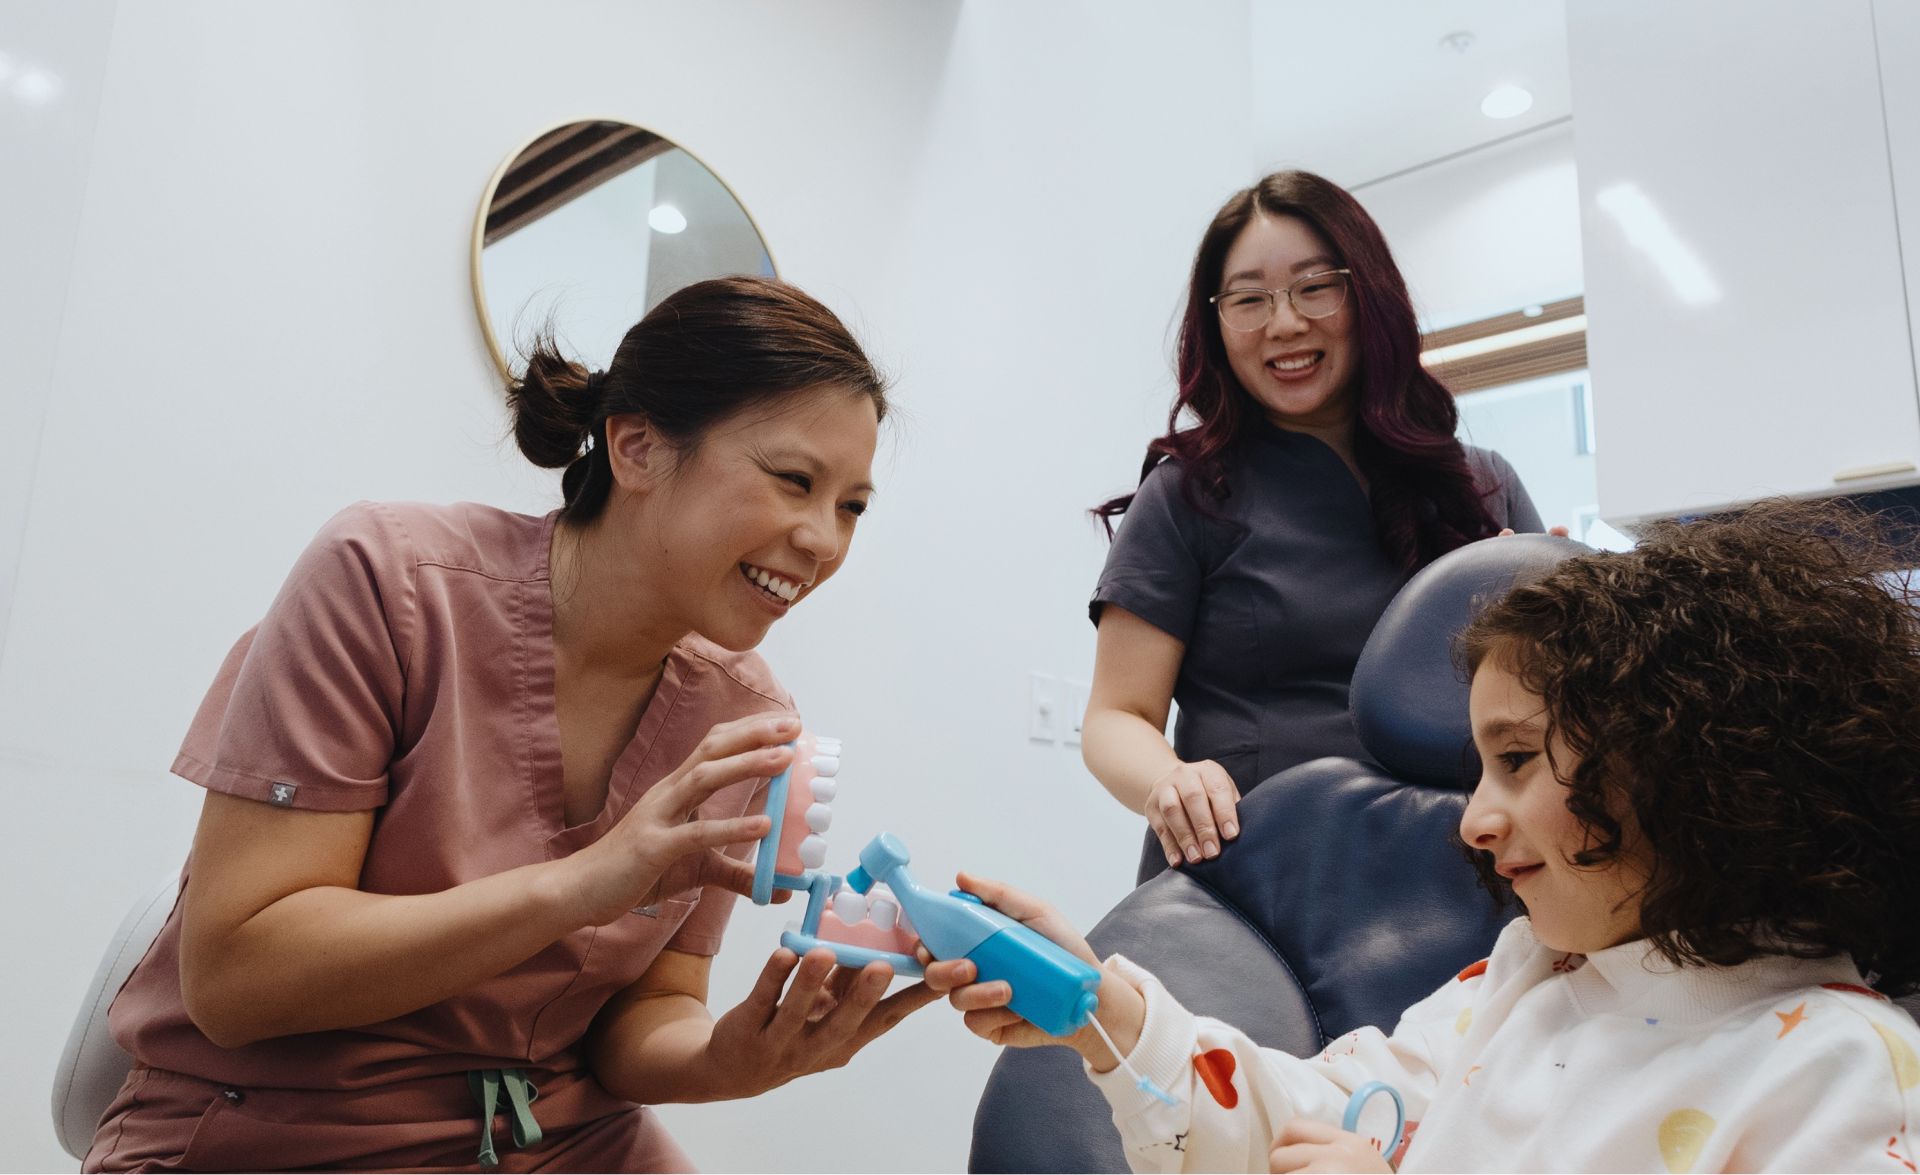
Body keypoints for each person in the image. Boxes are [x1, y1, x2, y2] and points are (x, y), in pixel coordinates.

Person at [86, 277, 959, 1172]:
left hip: (552, 1134)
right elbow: (238, 978)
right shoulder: (391, 584)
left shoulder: (746, 712)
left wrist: (726, 1059)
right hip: (287, 1128)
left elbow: (649, 1011)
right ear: (638, 447)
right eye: (794, 480)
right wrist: (584, 884)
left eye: (851, 505)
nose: (823, 539)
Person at [936, 499, 1920, 1172]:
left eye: (1520, 759)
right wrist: (1101, 1004)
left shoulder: (1841, 1068)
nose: (1473, 817)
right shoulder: (1516, 984)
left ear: (1691, 763)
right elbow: (1301, 1114)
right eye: (1478, 767)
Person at [1085, 170, 1551, 883]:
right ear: (1216, 323)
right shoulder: (1189, 494)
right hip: (1257, 878)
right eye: (1248, 299)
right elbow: (1116, 716)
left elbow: (1561, 710)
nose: (1284, 323)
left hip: (1464, 872)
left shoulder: (1484, 487)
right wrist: (1169, 783)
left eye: (1315, 286)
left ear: (1368, 296)